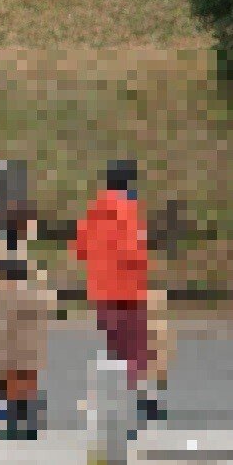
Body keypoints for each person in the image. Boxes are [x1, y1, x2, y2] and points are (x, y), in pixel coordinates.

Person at [74, 161, 151, 396]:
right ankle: (137, 398)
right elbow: (132, 253)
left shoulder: (93, 211)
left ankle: (117, 396)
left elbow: (79, 249)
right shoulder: (127, 211)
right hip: (127, 293)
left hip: (101, 292)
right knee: (135, 349)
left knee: (116, 347)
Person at [0, 245, 54, 437]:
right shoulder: (36, 295)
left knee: (13, 395)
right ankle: (30, 429)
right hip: (32, 356)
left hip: (12, 358)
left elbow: (2, 332)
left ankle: (14, 432)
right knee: (28, 393)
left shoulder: (6, 299)